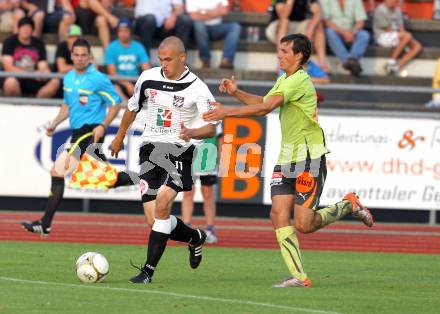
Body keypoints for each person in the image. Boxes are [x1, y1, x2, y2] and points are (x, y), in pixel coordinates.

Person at [203, 33, 374, 288]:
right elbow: (263, 102)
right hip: (286, 158)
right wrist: (236, 92)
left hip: (309, 158)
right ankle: (299, 276)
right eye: (279, 50)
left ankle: (348, 205)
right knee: (277, 214)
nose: (279, 55)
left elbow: (265, 109)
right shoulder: (284, 79)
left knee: (304, 224)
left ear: (299, 56)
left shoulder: (299, 81)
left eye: (284, 51)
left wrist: (226, 112)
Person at [110, 36, 218, 284]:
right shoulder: (147, 77)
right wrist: (119, 136)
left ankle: (147, 271)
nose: (164, 64)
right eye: (160, 59)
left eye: (168, 59)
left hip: (181, 151)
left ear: (182, 57)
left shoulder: (197, 87)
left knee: (163, 203)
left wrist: (191, 132)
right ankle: (195, 237)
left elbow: (211, 127)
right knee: (154, 220)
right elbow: (132, 107)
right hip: (149, 151)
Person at [21, 38, 137, 236]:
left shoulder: (98, 78)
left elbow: (116, 103)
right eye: (77, 55)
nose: (80, 58)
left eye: (84, 55)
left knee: (57, 171)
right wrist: (55, 123)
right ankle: (146, 178)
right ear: (71, 56)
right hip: (78, 132)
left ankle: (45, 223)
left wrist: (103, 125)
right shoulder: (68, 78)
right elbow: (67, 106)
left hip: (90, 132)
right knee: (104, 179)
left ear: (90, 57)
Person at [181, 123, 224, 244]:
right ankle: (185, 229)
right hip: (188, 155)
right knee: (188, 192)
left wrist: (221, 157)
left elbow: (220, 137)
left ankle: (210, 229)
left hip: (208, 156)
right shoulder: (188, 108)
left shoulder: (212, 112)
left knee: (208, 193)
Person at [1, 16, 60, 98]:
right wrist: (30, 74)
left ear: (32, 30)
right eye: (23, 27)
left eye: (28, 27)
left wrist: (44, 72)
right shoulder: (9, 42)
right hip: (16, 77)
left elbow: (42, 65)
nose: (26, 30)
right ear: (18, 29)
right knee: (10, 82)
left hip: (34, 79)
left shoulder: (39, 43)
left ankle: (36, 105)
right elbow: (8, 67)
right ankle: (17, 106)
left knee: (55, 81)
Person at [266, 0, 329, 72]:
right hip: (277, 28)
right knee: (284, 21)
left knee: (318, 25)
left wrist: (310, 29)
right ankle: (281, 61)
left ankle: (322, 64)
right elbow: (283, 15)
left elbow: (318, 13)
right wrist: (290, 2)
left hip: (298, 26)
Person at [105, 17, 150, 102]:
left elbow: (146, 68)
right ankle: (126, 106)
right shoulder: (111, 48)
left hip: (136, 80)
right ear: (117, 32)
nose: (123, 33)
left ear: (130, 32)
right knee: (113, 87)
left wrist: (140, 83)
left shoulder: (138, 47)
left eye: (126, 30)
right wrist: (126, 84)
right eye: (121, 31)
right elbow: (112, 73)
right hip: (119, 81)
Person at [185, 0, 241, 69]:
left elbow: (224, 11)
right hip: (199, 30)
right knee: (199, 25)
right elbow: (193, 16)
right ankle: (205, 60)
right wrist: (215, 12)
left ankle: (226, 60)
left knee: (235, 27)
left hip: (217, 28)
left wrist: (202, 13)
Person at [320, 0, 370, 76]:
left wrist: (353, 33)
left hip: (351, 32)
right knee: (329, 32)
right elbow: (325, 21)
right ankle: (350, 61)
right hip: (335, 32)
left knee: (364, 34)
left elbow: (361, 21)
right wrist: (343, 32)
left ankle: (351, 60)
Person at [373, 0, 422, 76]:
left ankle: (397, 67)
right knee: (407, 36)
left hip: (398, 35)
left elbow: (401, 28)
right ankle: (391, 61)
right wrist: (404, 37)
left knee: (417, 46)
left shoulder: (397, 10)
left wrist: (405, 39)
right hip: (382, 36)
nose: (393, 1)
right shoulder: (380, 10)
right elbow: (388, 30)